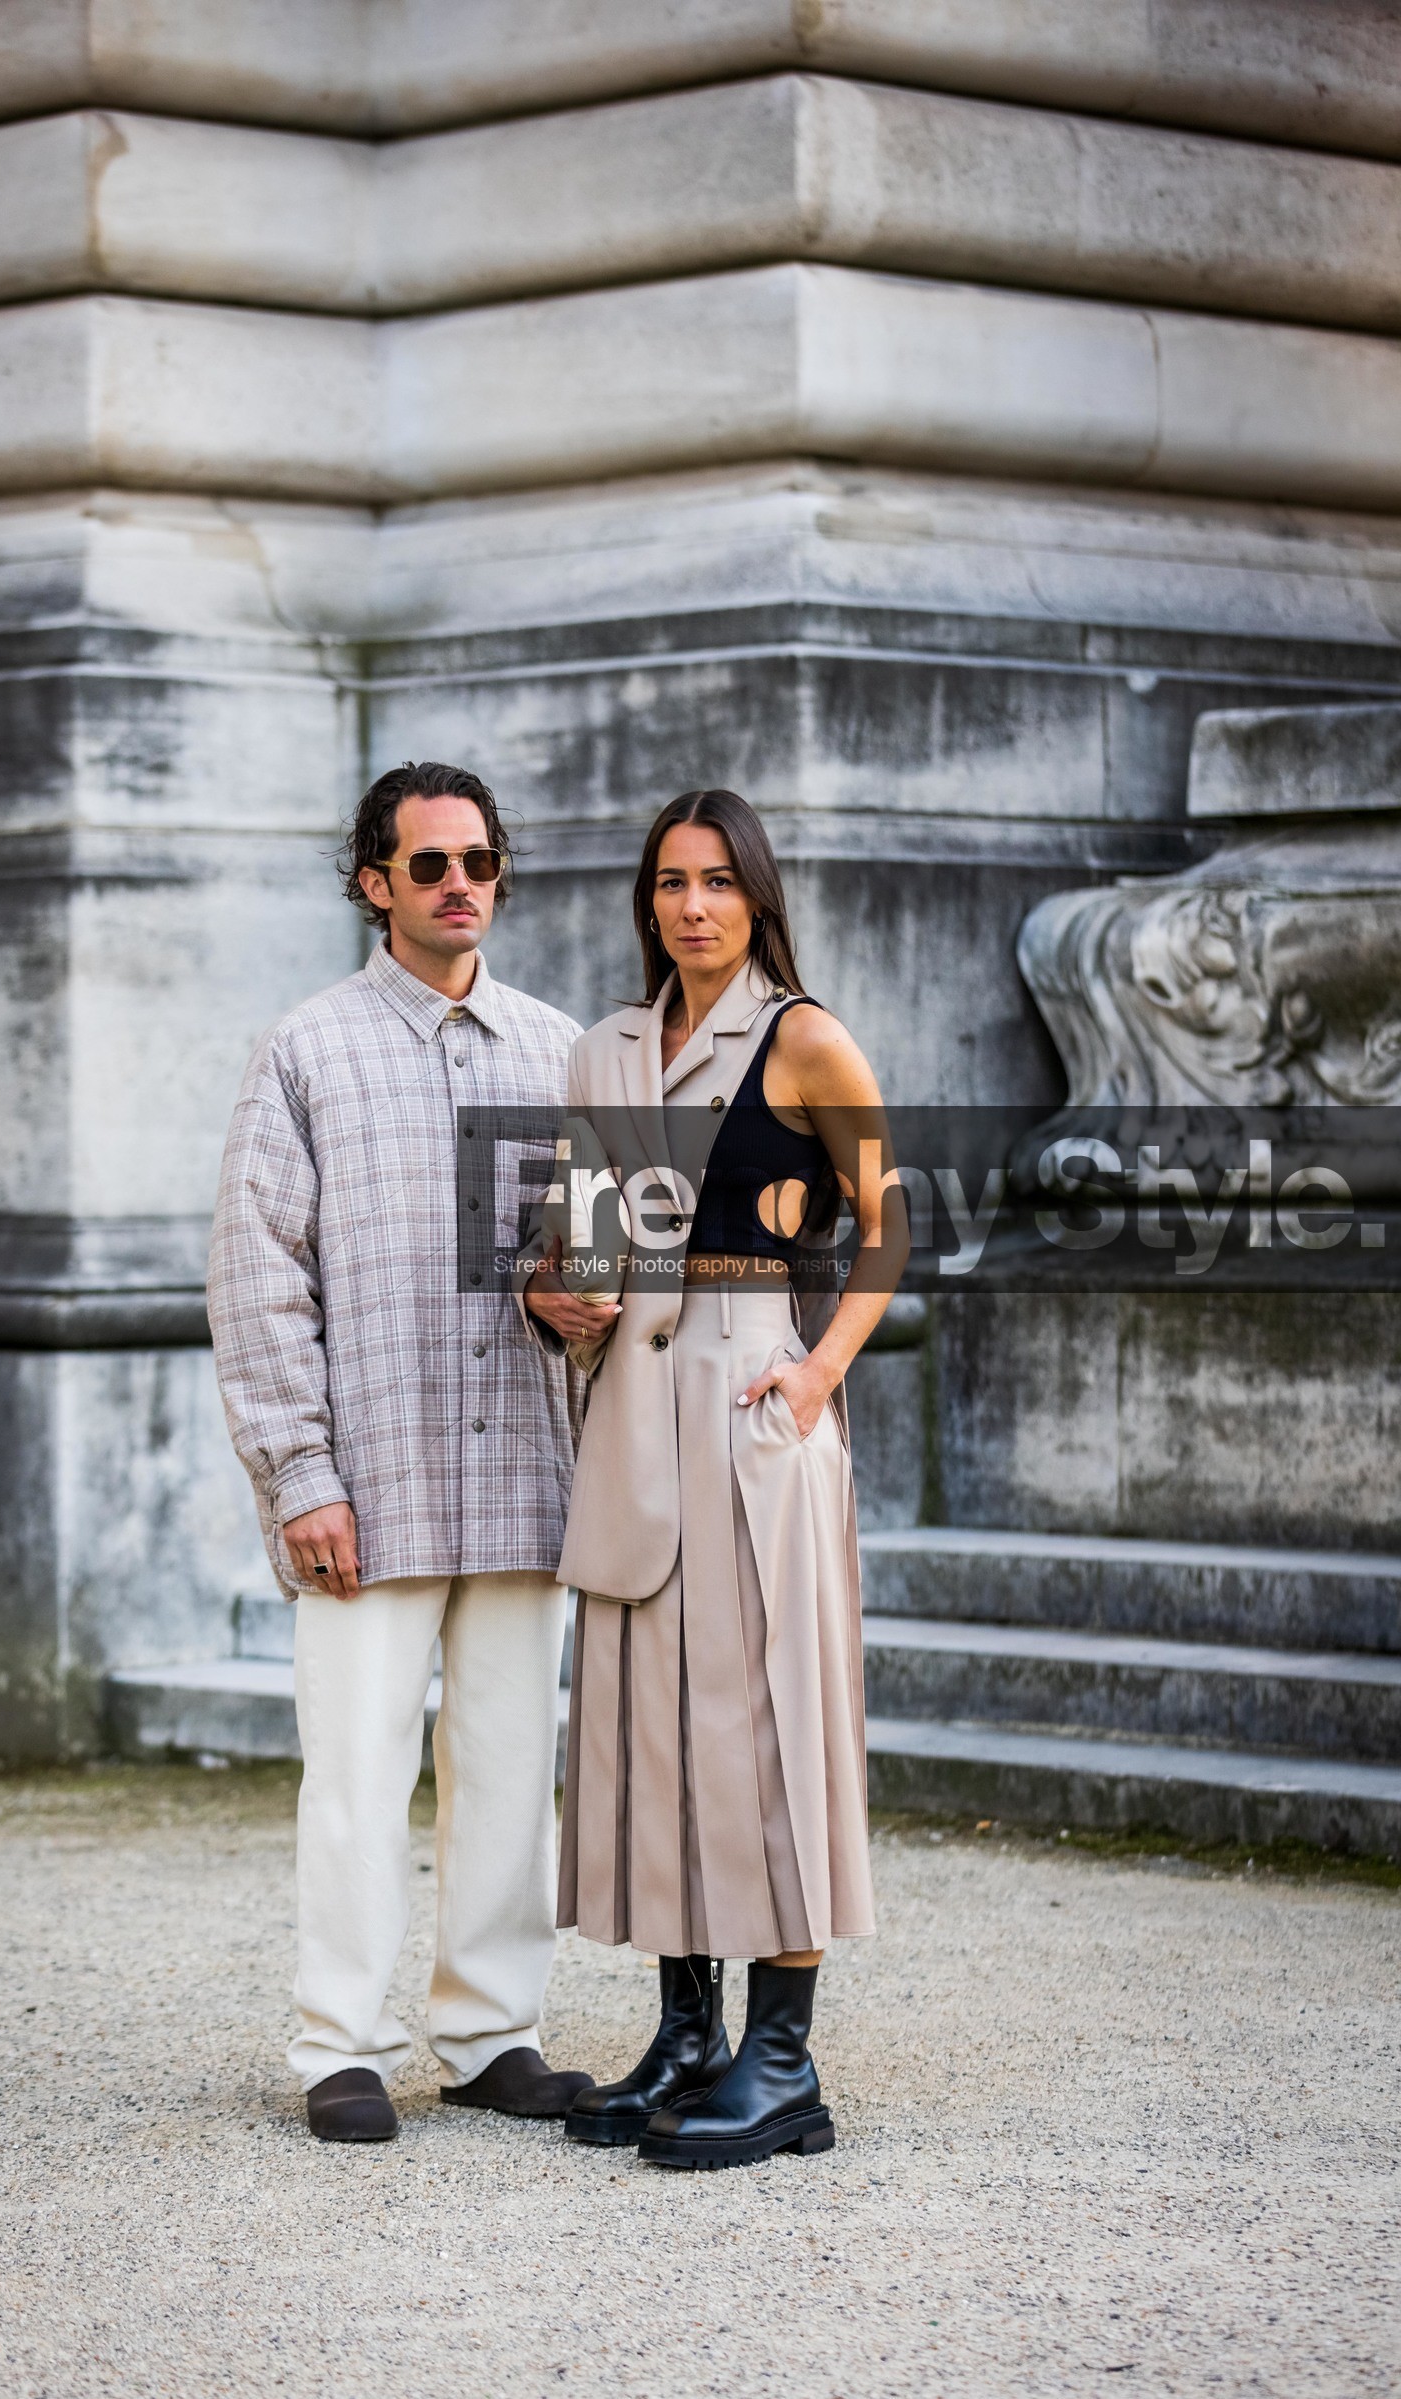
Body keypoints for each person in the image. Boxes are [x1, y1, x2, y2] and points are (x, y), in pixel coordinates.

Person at [209, 759, 594, 2143]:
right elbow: (257, 1278)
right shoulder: (306, 1049)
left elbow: (596, 1275)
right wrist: (297, 1475)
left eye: (479, 862)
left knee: (508, 1768)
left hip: (521, 1473)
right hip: (368, 1482)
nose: (459, 887)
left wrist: (584, 1310)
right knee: (358, 1773)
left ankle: (492, 2033)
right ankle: (341, 2048)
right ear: (375, 882)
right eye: (429, 865)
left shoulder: (564, 1052)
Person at [524, 787, 909, 2170]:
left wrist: (815, 1378)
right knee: (653, 1726)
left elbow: (889, 1225)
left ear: (757, 897)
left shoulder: (804, 1040)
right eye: (671, 882)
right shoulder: (604, 1053)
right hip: (634, 1400)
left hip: (757, 1394)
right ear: (649, 902)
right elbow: (579, 1247)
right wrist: (549, 1300)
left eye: (718, 883)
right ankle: (688, 2043)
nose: (693, 905)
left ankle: (785, 2064)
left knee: (771, 1728)